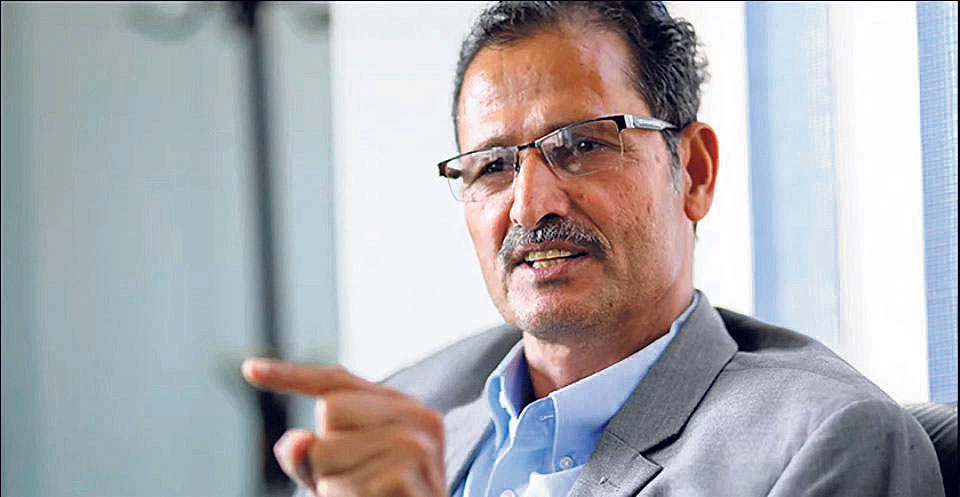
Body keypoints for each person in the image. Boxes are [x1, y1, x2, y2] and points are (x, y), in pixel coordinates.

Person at [242, 2, 944, 496]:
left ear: (695, 172)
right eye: (492, 166)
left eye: (581, 145)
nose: (529, 205)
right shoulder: (407, 408)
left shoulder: (827, 442)